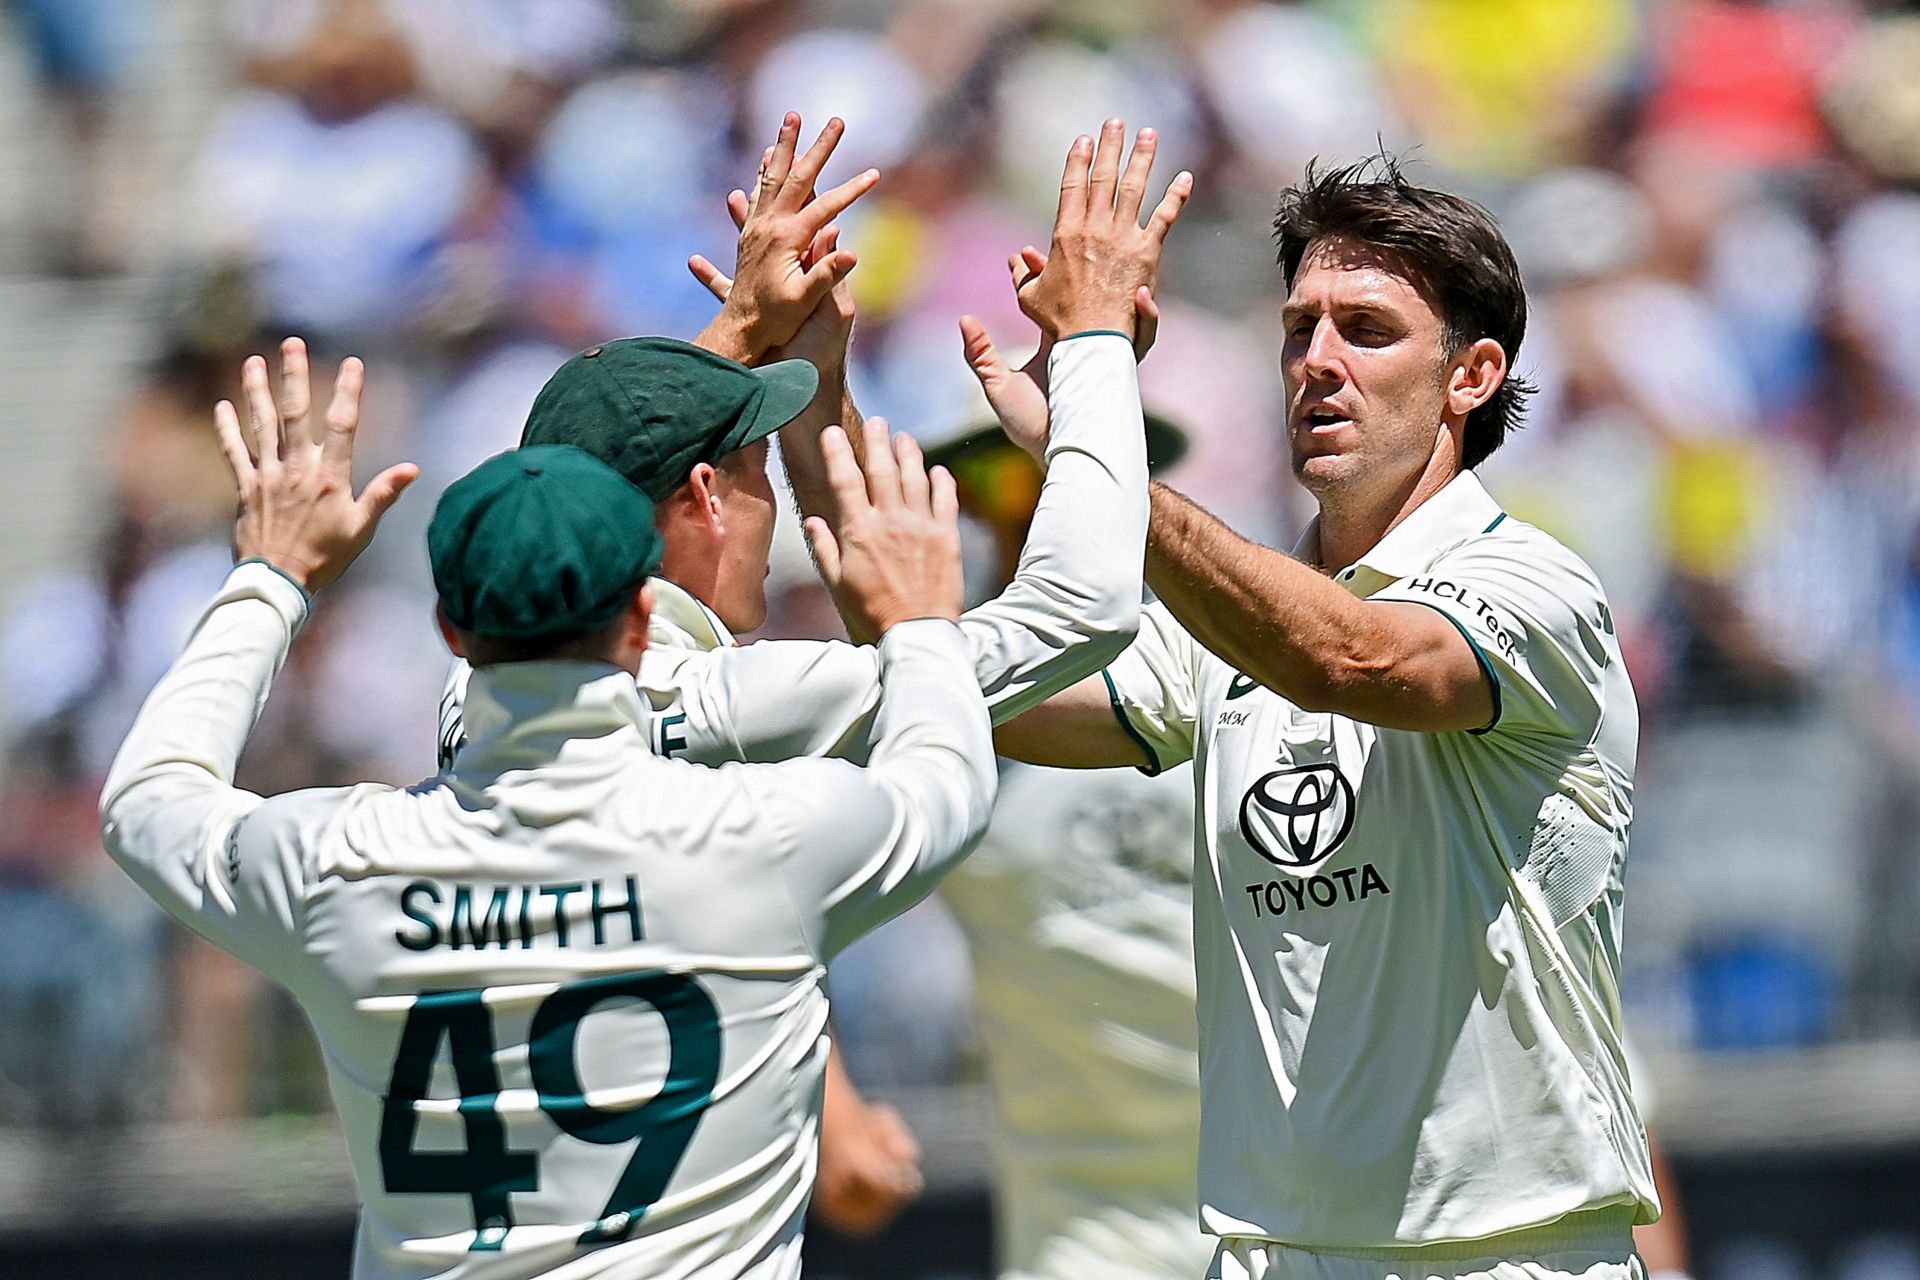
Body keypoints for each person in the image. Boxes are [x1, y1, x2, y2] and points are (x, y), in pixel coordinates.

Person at [100, 337, 1000, 1279]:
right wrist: (922, 624)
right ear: (644, 619)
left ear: (452, 630)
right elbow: (945, 784)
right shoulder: (761, 834)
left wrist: (269, 574)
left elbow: (148, 799)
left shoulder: (340, 859)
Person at [984, 155, 1658, 1279]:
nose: (1319, 365)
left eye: (1366, 329)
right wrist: (813, 406)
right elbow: (1009, 694)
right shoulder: (1239, 619)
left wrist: (1090, 430)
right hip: (1273, 1252)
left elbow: (1347, 658)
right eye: (1300, 329)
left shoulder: (1537, 587)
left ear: (1471, 375)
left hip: (1506, 1254)